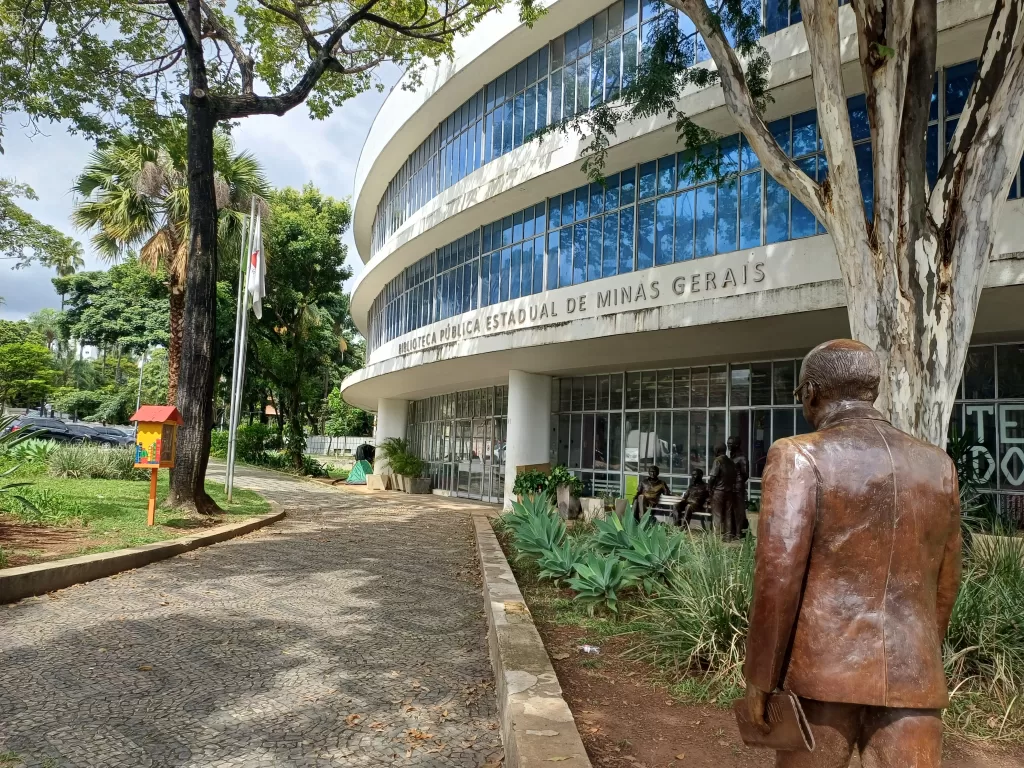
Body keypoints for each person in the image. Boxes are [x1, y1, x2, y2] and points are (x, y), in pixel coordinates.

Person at [743, 339, 962, 768]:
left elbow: (777, 578)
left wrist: (760, 679)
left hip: (822, 677)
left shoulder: (799, 455)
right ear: (871, 391)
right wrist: (918, 657)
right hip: (914, 673)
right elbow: (946, 581)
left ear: (810, 393)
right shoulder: (938, 464)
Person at [706, 443, 736, 536]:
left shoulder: (718, 461)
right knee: (728, 514)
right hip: (729, 492)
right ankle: (727, 536)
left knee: (717, 514)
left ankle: (716, 536)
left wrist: (709, 488)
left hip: (719, 491)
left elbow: (713, 477)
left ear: (717, 451)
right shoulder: (731, 462)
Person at [727, 435, 749, 537]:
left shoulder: (742, 457)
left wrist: (738, 483)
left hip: (738, 486)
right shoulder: (732, 456)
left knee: (739, 509)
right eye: (728, 443)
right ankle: (732, 531)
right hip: (731, 486)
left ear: (736, 445)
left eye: (730, 444)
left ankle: (739, 532)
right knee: (731, 509)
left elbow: (745, 474)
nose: (728, 445)